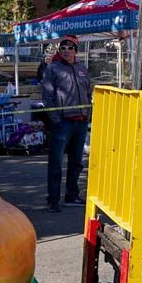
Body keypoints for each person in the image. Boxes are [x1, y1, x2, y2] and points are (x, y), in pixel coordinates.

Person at [42, 35, 92, 212]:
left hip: (80, 122)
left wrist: (87, 115)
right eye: (63, 48)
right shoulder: (52, 68)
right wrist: (56, 119)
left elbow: (89, 92)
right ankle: (53, 200)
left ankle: (72, 196)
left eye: (70, 48)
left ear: (75, 51)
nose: (66, 50)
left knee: (77, 162)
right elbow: (47, 97)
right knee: (56, 163)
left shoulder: (82, 68)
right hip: (63, 123)